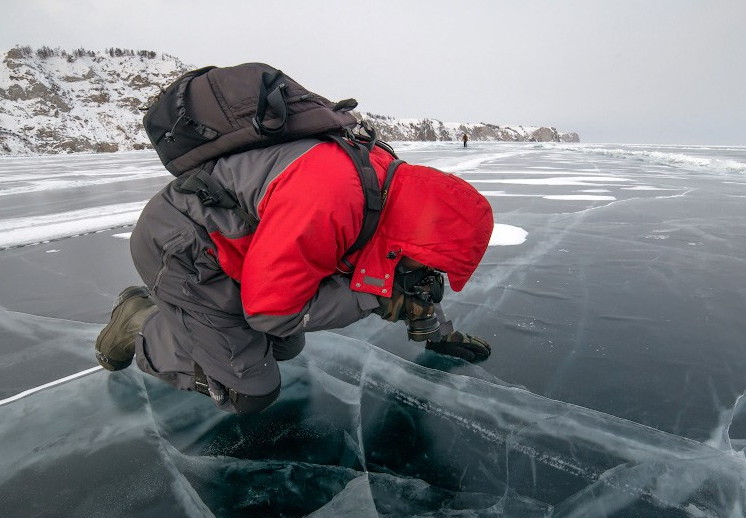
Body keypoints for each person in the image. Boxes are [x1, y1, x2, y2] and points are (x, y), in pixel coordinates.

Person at [95, 137, 494, 415]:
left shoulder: (391, 199)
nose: (424, 275)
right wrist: (374, 297)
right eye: (427, 265)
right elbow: (271, 314)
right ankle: (138, 322)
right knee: (248, 391)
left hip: (242, 254)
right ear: (413, 242)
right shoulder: (330, 205)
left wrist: (440, 331)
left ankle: (211, 332)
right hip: (185, 251)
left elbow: (403, 274)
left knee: (284, 349)